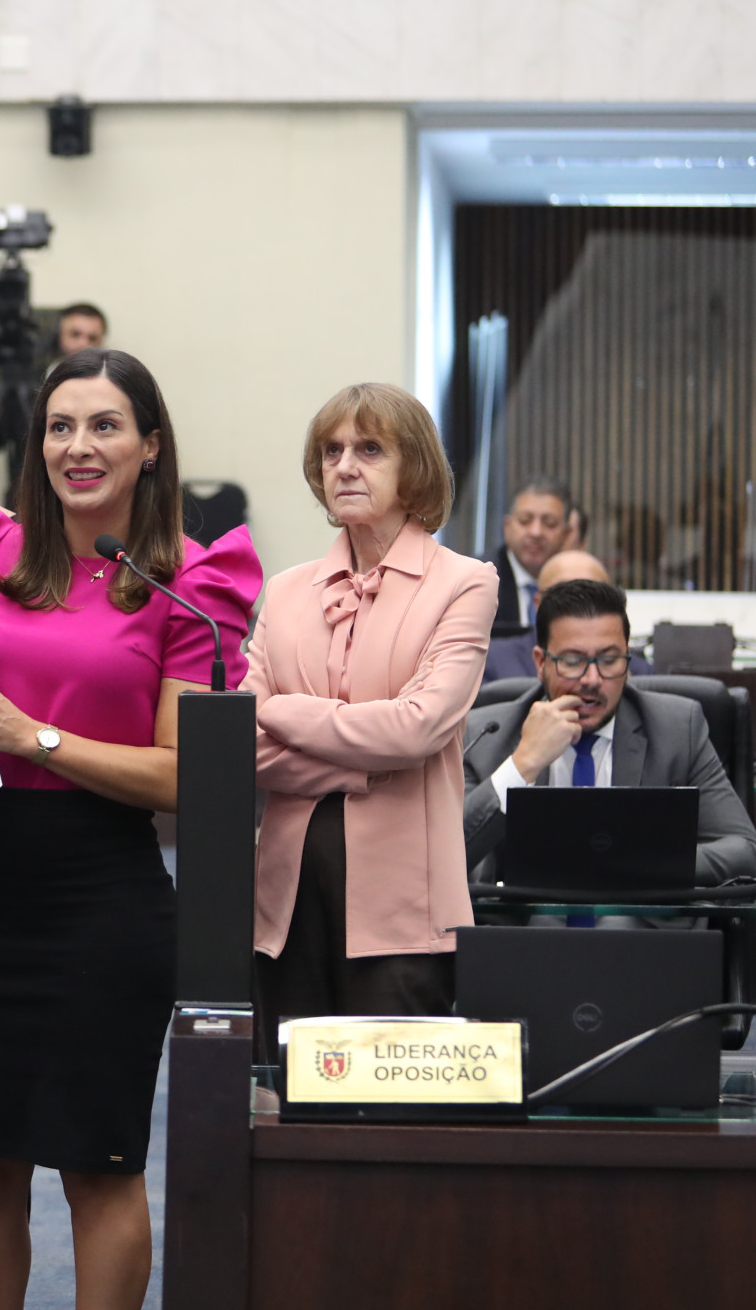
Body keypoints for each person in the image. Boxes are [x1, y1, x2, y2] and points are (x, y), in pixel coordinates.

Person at [0, 347, 258, 1309]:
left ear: (149, 447)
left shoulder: (190, 582)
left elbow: (185, 778)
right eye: (60, 426)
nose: (78, 446)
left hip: (103, 900)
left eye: (104, 425)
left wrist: (36, 735)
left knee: (97, 1165)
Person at [248, 383, 496, 1056]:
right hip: (284, 899)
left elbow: (417, 728)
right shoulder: (286, 589)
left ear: (411, 465)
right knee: (279, 1112)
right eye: (330, 451)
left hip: (403, 908)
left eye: (367, 449)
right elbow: (245, 742)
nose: (344, 466)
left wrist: (285, 711)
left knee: (391, 1125)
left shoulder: (464, 582)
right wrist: (366, 756)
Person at [462, 577, 756, 886]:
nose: (592, 679)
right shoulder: (488, 733)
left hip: (636, 926)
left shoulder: (677, 728)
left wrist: (632, 863)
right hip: (529, 929)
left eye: (609, 660)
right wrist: (522, 764)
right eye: (572, 660)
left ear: (628, 660)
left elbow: (746, 852)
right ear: (541, 663)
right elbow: (444, 860)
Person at [481, 549, 650, 682]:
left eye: (592, 597)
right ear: (538, 603)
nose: (579, 609)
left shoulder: (640, 672)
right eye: (565, 598)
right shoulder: (490, 662)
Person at [489, 478, 573, 635]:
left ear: (566, 534)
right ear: (507, 527)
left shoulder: (576, 581)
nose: (536, 532)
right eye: (525, 520)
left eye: (549, 523)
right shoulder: (480, 578)